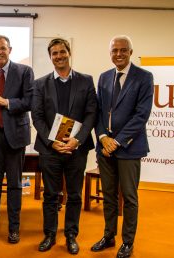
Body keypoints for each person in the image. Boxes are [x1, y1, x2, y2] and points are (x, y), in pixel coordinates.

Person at [31, 38, 97, 254]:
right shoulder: (40, 84)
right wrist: (52, 141)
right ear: (50, 57)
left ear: (69, 53)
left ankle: (71, 234)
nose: (58, 56)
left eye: (62, 52)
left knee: (75, 195)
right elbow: (37, 117)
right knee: (50, 194)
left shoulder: (86, 81)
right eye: (54, 53)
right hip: (50, 149)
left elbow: (91, 113)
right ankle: (49, 234)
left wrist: (77, 139)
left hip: (77, 148)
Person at [91, 35, 153, 258]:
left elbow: (141, 115)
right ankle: (109, 236)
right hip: (104, 148)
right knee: (108, 195)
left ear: (130, 52)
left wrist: (116, 141)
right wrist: (102, 137)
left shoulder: (144, 77)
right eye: (114, 50)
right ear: (110, 53)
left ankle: (127, 242)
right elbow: (97, 111)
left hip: (129, 147)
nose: (118, 54)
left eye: (123, 50)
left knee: (129, 196)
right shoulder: (104, 77)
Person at [0, 35, 34, 244]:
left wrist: (6, 102)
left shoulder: (24, 71)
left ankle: (14, 229)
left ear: (10, 49)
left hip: (15, 136)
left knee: (14, 185)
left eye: (3, 48)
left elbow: (30, 101)